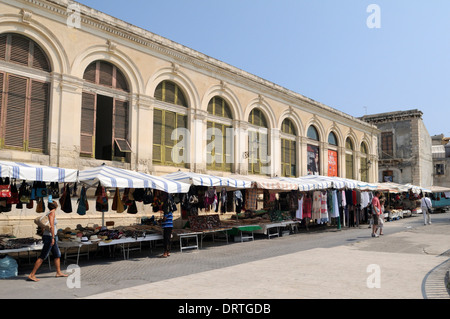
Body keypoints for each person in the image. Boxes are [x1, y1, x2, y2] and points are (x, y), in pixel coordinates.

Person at [28, 202, 68, 282]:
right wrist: (53, 237)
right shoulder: (52, 213)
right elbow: (52, 226)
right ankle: (32, 274)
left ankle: (58, 272)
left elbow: (47, 226)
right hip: (50, 237)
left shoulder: (49, 213)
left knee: (57, 254)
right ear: (56, 206)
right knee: (43, 255)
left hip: (50, 236)